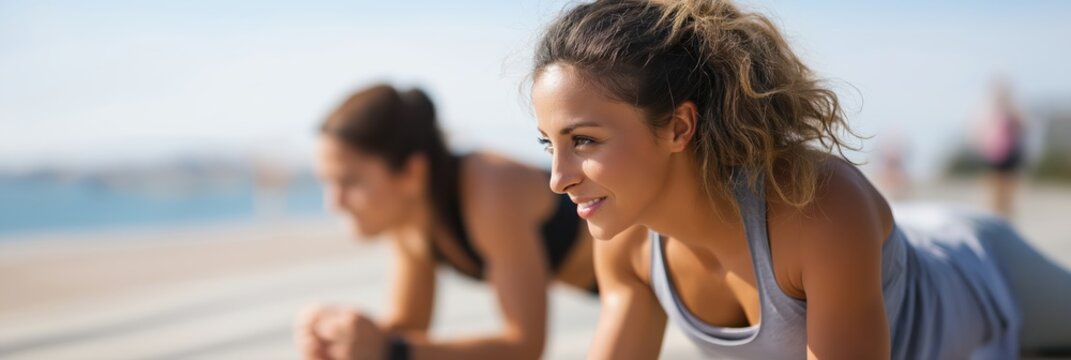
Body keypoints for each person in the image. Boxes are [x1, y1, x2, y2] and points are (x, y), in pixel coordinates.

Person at [529, 0, 1071, 359]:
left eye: (584, 141)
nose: (557, 179)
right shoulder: (626, 244)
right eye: (549, 144)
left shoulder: (817, 206)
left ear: (678, 126)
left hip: (978, 267)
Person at [297, 84, 597, 360]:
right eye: (327, 183)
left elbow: (525, 345)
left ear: (411, 173)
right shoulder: (409, 219)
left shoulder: (490, 188)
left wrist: (389, 350)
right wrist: (342, 340)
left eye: (349, 182)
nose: (333, 202)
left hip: (640, 270)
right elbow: (408, 331)